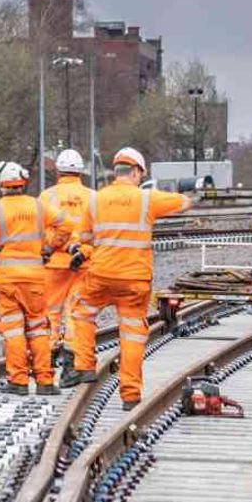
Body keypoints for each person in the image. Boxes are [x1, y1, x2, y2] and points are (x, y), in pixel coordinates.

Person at [61, 147, 193, 405]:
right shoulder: (146, 199)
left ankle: (85, 365)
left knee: (82, 312)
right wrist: (193, 195)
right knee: (132, 333)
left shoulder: (96, 200)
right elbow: (182, 203)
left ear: (117, 170)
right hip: (134, 282)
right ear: (135, 172)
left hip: (100, 276)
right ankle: (130, 395)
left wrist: (80, 251)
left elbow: (83, 239)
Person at [0, 162, 59, 394]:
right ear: (22, 183)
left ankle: (18, 382)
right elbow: (65, 225)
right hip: (35, 278)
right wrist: (48, 248)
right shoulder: (38, 207)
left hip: (7, 278)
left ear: (2, 186)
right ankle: (45, 382)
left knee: (14, 329)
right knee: (38, 328)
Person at [40, 149, 96, 369]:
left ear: (58, 170)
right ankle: (73, 356)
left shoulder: (47, 196)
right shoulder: (92, 197)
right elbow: (98, 233)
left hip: (54, 263)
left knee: (50, 310)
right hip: (82, 263)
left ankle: (49, 354)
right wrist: (82, 251)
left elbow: (40, 230)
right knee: (75, 311)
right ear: (80, 171)